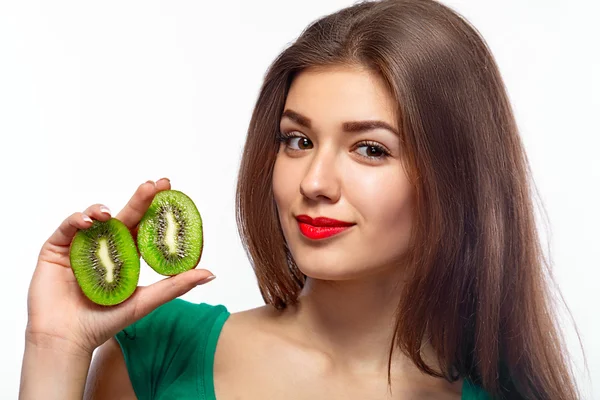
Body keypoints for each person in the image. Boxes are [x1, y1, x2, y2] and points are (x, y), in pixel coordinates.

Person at [19, 0, 581, 399]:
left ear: (455, 175)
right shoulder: (161, 352)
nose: (314, 180)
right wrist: (55, 349)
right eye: (299, 140)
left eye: (369, 149)